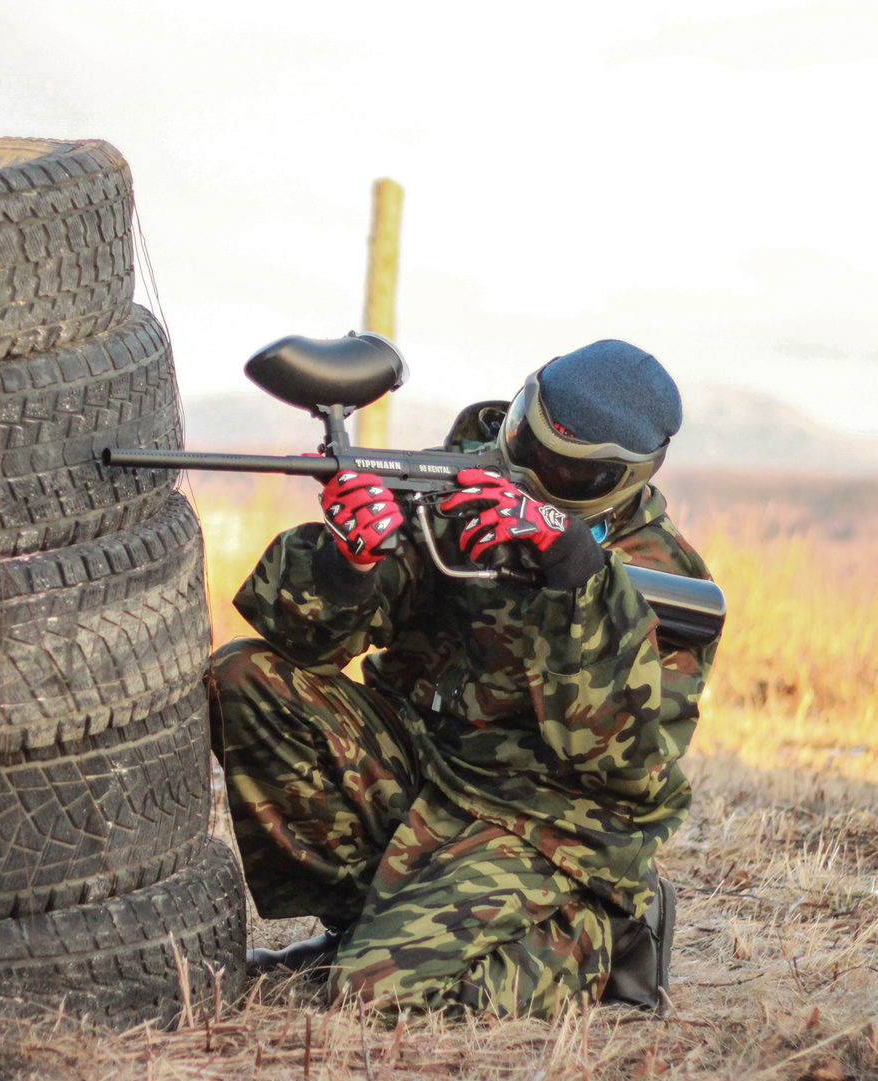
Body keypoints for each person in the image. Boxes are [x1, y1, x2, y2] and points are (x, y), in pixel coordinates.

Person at [208, 338, 719, 1018]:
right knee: (242, 678)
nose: (527, 477)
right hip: (422, 770)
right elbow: (307, 642)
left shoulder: (663, 578)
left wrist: (574, 577)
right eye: (524, 446)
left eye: (560, 473)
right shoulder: (456, 489)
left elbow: (617, 759)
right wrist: (351, 564)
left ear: (618, 478)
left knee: (372, 1001)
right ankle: (360, 930)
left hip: (543, 825)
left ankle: (600, 935)